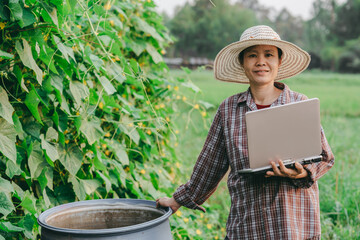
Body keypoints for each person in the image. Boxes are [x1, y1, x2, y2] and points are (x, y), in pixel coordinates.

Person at [156, 25, 334, 239]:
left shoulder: (298, 104)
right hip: (248, 224)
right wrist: (177, 201)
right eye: (252, 55)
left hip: (292, 225)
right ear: (242, 62)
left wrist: (303, 172)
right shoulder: (229, 109)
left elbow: (324, 157)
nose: (261, 61)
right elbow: (210, 165)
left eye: (269, 55)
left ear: (279, 61)